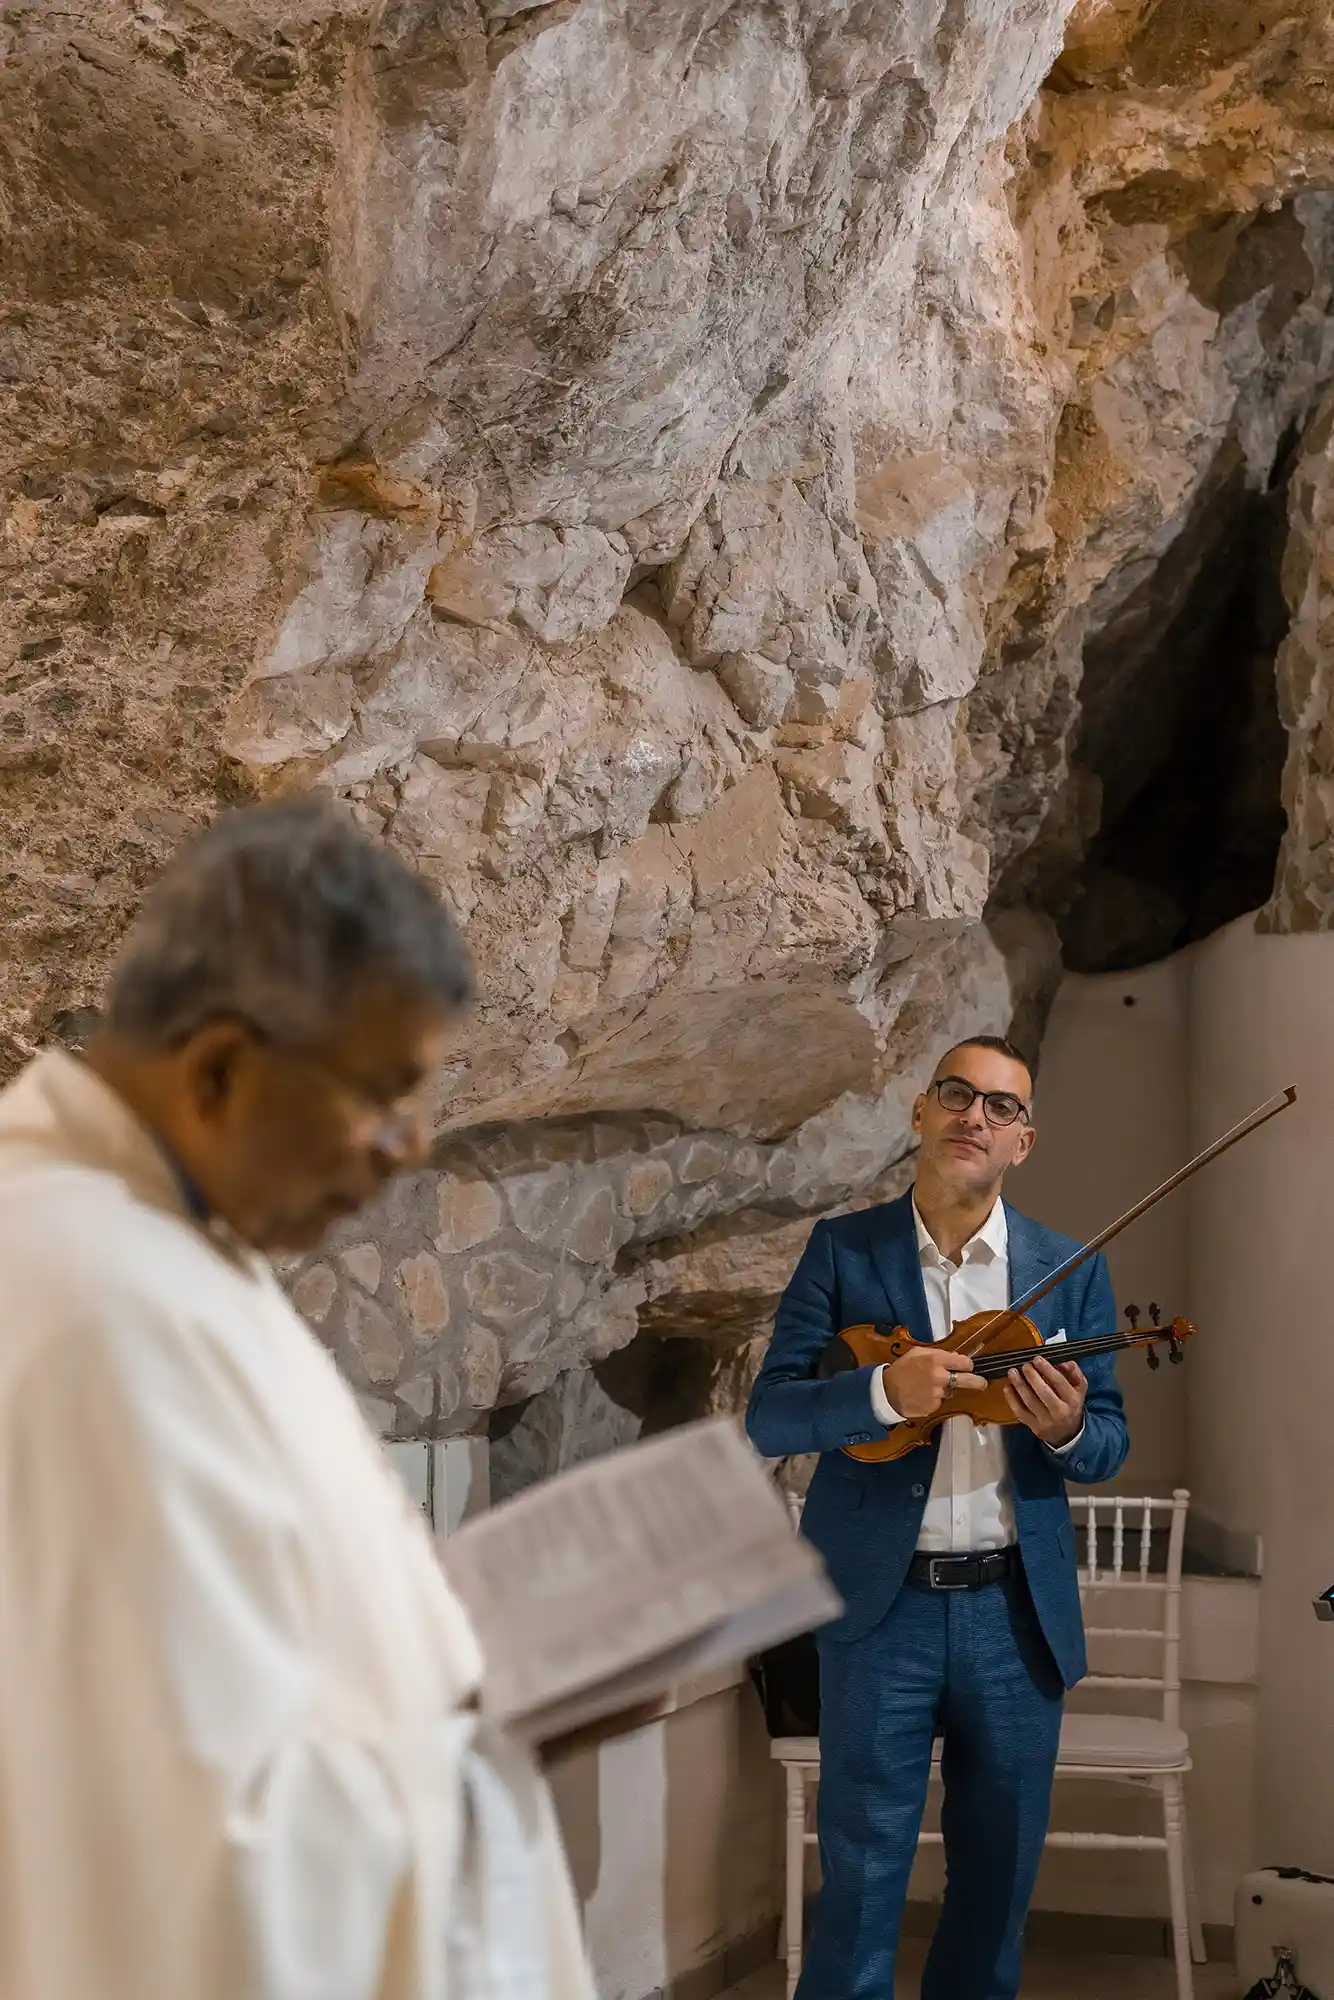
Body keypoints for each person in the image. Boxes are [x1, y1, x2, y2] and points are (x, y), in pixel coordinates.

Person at [0, 799, 607, 2000]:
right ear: (221, 1066)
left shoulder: (170, 1248)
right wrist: (478, 1750)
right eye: (384, 1093)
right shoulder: (91, 1303)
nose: (412, 1146)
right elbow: (182, 1854)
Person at [746, 1035, 1128, 2000]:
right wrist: (882, 1393)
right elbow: (771, 1415)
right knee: (861, 1885)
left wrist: (1068, 1428)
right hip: (882, 1616)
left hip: (1014, 1617)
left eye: (1002, 1107)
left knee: (996, 1888)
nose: (975, 1117)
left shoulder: (1070, 1269)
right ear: (921, 1112)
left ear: (1023, 1141)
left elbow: (1108, 1442)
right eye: (957, 1094)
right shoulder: (844, 1250)